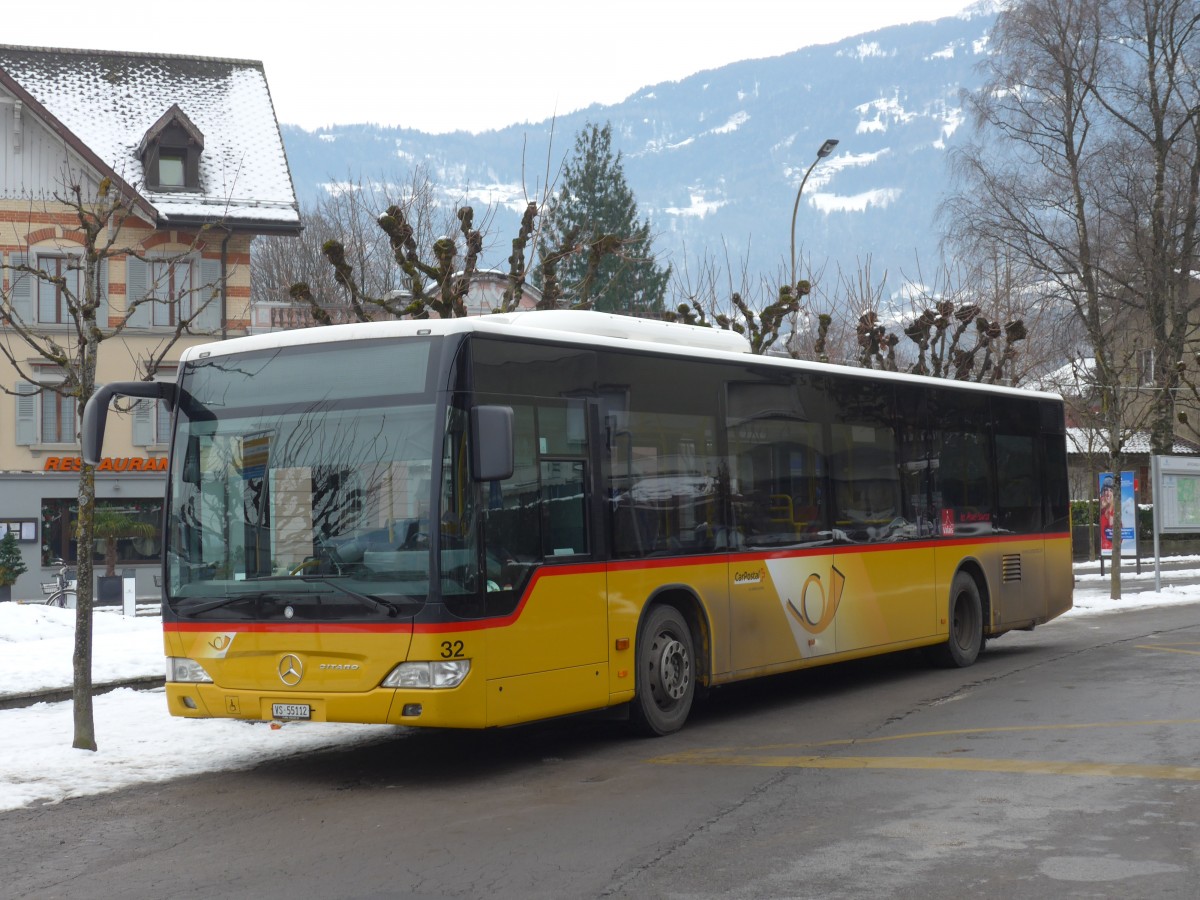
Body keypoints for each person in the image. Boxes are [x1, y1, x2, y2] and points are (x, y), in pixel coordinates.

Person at [1099, 475, 1115, 553]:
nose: (1108, 493)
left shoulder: (1115, 511)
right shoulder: (1102, 510)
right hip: (1104, 549)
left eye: (1111, 490)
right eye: (1106, 490)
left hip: (1111, 550)